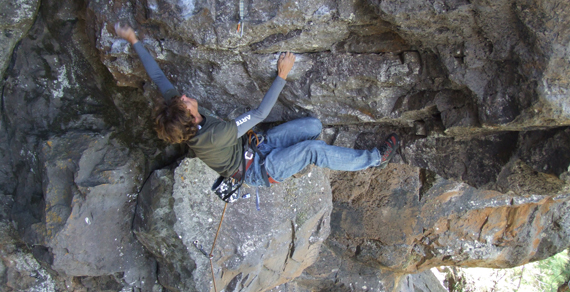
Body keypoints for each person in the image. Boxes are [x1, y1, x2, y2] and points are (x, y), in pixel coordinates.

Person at [114, 23, 399, 189]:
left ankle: (298, 159)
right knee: (313, 149)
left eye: (182, 98)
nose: (185, 96)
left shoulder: (184, 117)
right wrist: (282, 75)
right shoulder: (215, 135)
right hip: (260, 169)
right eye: (184, 101)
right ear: (189, 113)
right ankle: (374, 159)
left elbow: (158, 76)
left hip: (256, 147)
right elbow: (259, 113)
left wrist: (134, 40)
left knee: (313, 126)